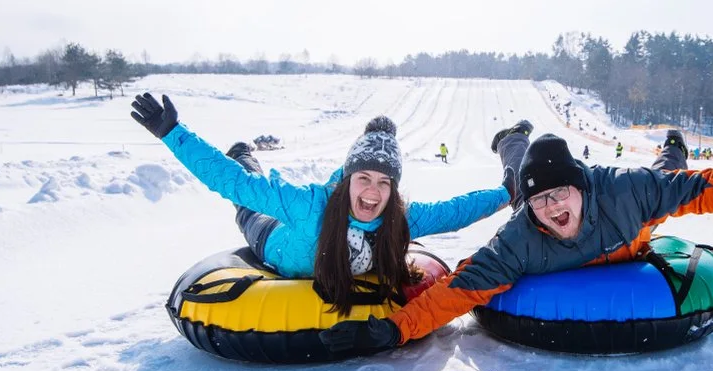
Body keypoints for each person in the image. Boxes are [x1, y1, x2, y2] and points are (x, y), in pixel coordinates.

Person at [318, 127, 713, 358]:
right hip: (576, 216)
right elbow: (460, 290)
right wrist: (392, 331)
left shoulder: (623, 193)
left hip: (634, 230)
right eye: (540, 201)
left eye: (561, 194)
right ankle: (513, 144)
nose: (553, 208)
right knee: (530, 179)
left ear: (582, 186)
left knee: (668, 171)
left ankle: (673, 145)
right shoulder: (519, 240)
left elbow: (704, 189)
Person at [129, 92, 518, 315]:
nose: (372, 192)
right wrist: (172, 134)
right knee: (247, 205)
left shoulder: (399, 219)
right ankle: (244, 152)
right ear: (347, 180)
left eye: (384, 182)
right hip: (274, 243)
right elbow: (236, 186)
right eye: (363, 178)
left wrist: (505, 194)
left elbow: (453, 211)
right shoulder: (311, 206)